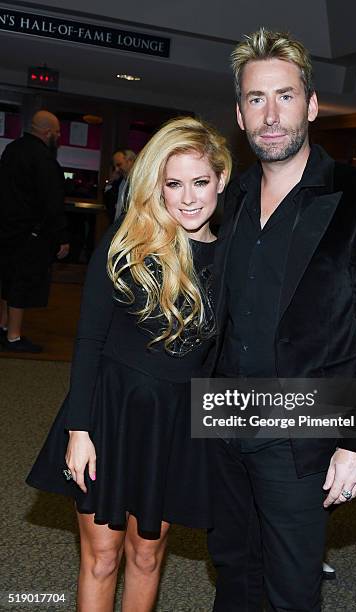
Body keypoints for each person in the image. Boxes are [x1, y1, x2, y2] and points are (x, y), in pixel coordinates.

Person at [207, 28, 356, 611]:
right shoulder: (232, 197)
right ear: (239, 114)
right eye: (256, 99)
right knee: (234, 571)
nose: (271, 114)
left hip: (305, 428)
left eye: (285, 96)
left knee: (292, 589)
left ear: (311, 105)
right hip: (223, 419)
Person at [27, 116, 231, 612]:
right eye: (173, 183)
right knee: (101, 558)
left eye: (200, 182)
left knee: (146, 556)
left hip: (174, 426)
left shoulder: (231, 257)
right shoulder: (127, 243)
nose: (187, 198)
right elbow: (89, 339)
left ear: (220, 180)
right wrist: (79, 431)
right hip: (109, 417)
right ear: (156, 187)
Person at [0, 110, 69, 353]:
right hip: (31, 233)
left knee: (7, 280)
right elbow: (52, 201)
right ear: (47, 132)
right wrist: (61, 236)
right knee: (22, 283)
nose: (59, 137)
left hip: (7, 229)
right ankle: (14, 337)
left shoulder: (11, 150)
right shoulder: (43, 158)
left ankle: (4, 327)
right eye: (58, 132)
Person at [110, 148, 136, 220]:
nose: (116, 169)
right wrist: (111, 182)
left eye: (119, 165)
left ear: (130, 161)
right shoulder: (120, 181)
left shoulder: (141, 182)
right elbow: (109, 204)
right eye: (115, 166)